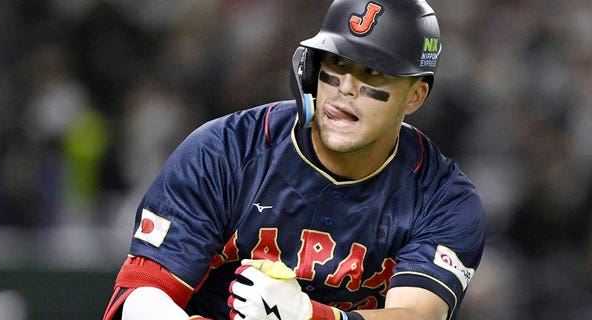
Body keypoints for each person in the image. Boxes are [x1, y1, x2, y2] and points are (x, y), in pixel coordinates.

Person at [102, 1, 485, 319]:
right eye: (335, 63)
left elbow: (418, 315)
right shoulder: (225, 151)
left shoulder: (442, 197)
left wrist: (308, 315)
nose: (346, 87)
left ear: (415, 96)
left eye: (372, 72)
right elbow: (141, 296)